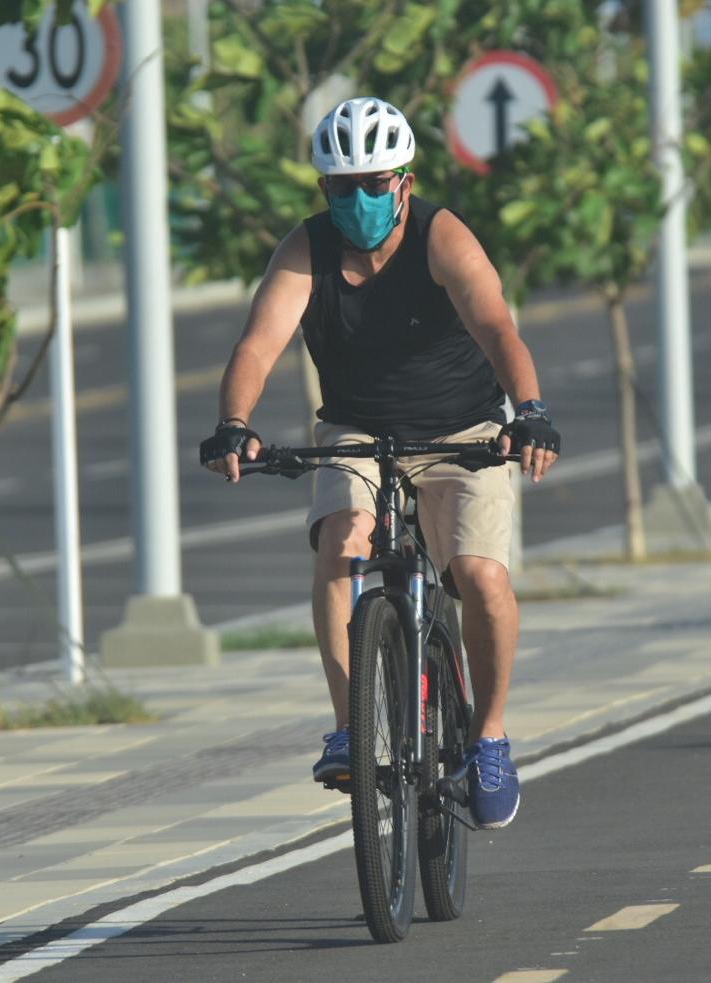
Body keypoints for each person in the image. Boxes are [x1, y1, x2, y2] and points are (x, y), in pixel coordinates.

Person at [199, 96, 560, 830]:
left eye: (375, 183)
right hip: (356, 427)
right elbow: (257, 346)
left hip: (464, 430)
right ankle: (349, 727)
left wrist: (528, 411)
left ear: (403, 180)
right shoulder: (306, 250)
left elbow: (495, 323)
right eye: (341, 186)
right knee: (342, 542)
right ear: (322, 188)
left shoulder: (442, 236)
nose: (359, 199)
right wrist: (234, 425)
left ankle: (488, 738)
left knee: (480, 577)